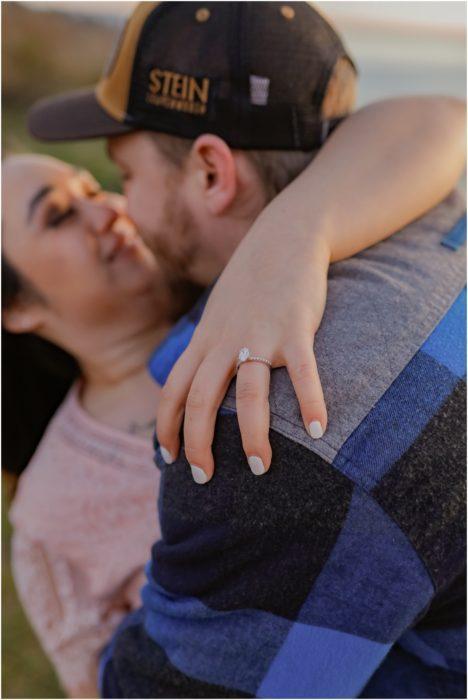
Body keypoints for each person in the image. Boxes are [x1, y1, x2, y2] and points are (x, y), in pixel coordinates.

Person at [27, 3, 466, 697]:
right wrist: (294, 233)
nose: (118, 206)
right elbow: (439, 116)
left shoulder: (267, 427)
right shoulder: (436, 191)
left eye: (124, 173)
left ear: (211, 173)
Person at [2, 154, 197, 699]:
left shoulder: (239, 277)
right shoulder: (51, 521)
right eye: (61, 215)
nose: (109, 211)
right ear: (16, 308)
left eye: (96, 190)